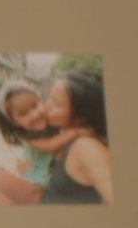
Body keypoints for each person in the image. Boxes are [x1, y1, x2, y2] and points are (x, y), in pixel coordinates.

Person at [39, 70, 112, 204]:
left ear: (80, 117)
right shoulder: (63, 134)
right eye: (50, 98)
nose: (45, 108)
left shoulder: (87, 147)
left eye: (56, 104)